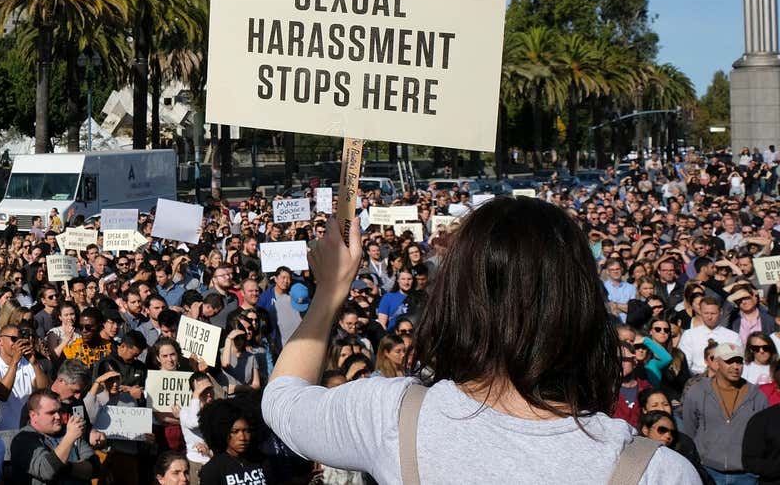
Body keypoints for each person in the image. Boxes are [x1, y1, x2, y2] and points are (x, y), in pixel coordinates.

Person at [261, 196, 699, 481]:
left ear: (456, 298)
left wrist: (330, 294)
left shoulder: (392, 418)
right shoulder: (657, 473)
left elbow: (282, 400)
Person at [684, 342, 769, 483]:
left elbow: (764, 436)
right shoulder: (697, 391)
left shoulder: (757, 396)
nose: (736, 367)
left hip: (747, 475)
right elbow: (689, 429)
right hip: (708, 471)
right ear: (717, 363)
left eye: (739, 362)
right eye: (729, 361)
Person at [5, 390, 98, 485]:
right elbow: (47, 471)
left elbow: (95, 467)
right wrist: (69, 438)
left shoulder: (68, 431)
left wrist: (66, 466)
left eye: (59, 411)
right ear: (33, 416)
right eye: (51, 413)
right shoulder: (23, 439)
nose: (58, 416)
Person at [0, 326, 50, 432]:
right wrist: (14, 362)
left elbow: (44, 390)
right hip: (4, 431)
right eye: (14, 339)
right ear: (0, 341)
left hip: (30, 430)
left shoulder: (28, 363)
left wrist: (35, 364)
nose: (18, 343)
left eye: (20, 339)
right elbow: (2, 394)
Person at [196, 400, 271, 485]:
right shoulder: (212, 470)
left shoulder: (262, 461)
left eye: (246, 431)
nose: (242, 437)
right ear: (222, 432)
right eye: (235, 432)